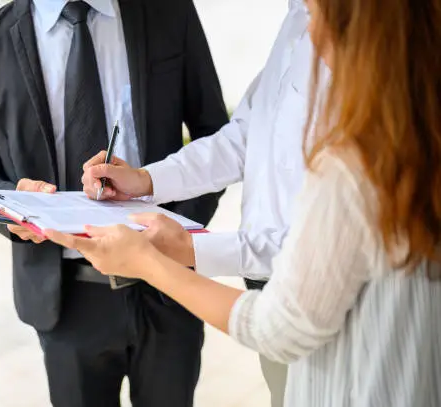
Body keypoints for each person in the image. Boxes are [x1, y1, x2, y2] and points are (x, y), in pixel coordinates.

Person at [46, 0, 441, 405]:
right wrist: (148, 181)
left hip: (335, 351)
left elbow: (283, 324)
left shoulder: (349, 164)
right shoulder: (413, 123)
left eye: (317, 16)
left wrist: (151, 263)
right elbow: (247, 133)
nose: (312, 29)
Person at [0, 0, 228, 406]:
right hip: (66, 297)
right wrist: (12, 207)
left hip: (168, 283)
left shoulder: (170, 12)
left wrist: (177, 234)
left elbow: (214, 136)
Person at [82, 1, 315, 405]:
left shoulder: (364, 43)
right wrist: (146, 180)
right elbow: (242, 136)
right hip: (267, 283)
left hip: (316, 297)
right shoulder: (297, 18)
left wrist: (189, 250)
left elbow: (323, 243)